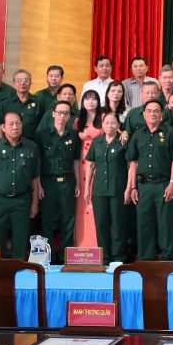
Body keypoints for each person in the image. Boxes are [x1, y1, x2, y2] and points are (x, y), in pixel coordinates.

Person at [0, 112, 41, 260]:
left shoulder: (31, 147)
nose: (15, 127)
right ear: (3, 127)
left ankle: (19, 271)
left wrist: (35, 204)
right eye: (11, 124)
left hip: (21, 201)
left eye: (18, 123)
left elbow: (35, 178)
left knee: (20, 242)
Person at [126, 100, 173, 260]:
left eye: (156, 111)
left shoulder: (171, 132)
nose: (153, 114)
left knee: (166, 224)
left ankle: (167, 259)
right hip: (143, 186)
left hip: (164, 185)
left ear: (162, 114)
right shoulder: (138, 134)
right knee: (144, 224)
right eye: (149, 111)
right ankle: (145, 259)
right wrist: (133, 187)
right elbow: (133, 162)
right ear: (144, 114)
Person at [36, 100, 81, 263]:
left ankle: (64, 256)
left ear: (69, 116)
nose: (62, 116)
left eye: (66, 113)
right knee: (47, 220)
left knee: (68, 220)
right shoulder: (42, 135)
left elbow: (76, 160)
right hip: (48, 182)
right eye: (60, 112)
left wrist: (78, 182)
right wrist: (38, 184)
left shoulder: (74, 135)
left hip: (68, 181)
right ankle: (47, 256)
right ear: (53, 114)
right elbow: (38, 161)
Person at [83, 111, 129, 263]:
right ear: (102, 125)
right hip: (99, 189)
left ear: (118, 125)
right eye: (107, 122)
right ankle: (104, 256)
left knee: (118, 224)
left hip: (118, 189)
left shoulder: (123, 142)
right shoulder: (97, 142)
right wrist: (86, 188)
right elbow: (90, 165)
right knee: (101, 224)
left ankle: (118, 256)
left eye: (113, 122)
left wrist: (129, 187)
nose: (110, 125)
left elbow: (130, 166)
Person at [73, 90, 102, 248]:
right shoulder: (78, 121)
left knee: (96, 201)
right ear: (82, 102)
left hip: (98, 165)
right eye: (87, 99)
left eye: (94, 99)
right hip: (82, 166)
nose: (90, 102)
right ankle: (82, 243)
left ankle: (98, 243)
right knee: (82, 202)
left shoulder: (103, 118)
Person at [6, 70, 42, 141]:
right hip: (11, 143)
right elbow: (1, 125)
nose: (22, 83)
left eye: (26, 80)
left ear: (30, 83)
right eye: (19, 81)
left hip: (32, 143)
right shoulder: (7, 102)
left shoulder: (38, 101)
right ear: (14, 83)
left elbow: (42, 125)